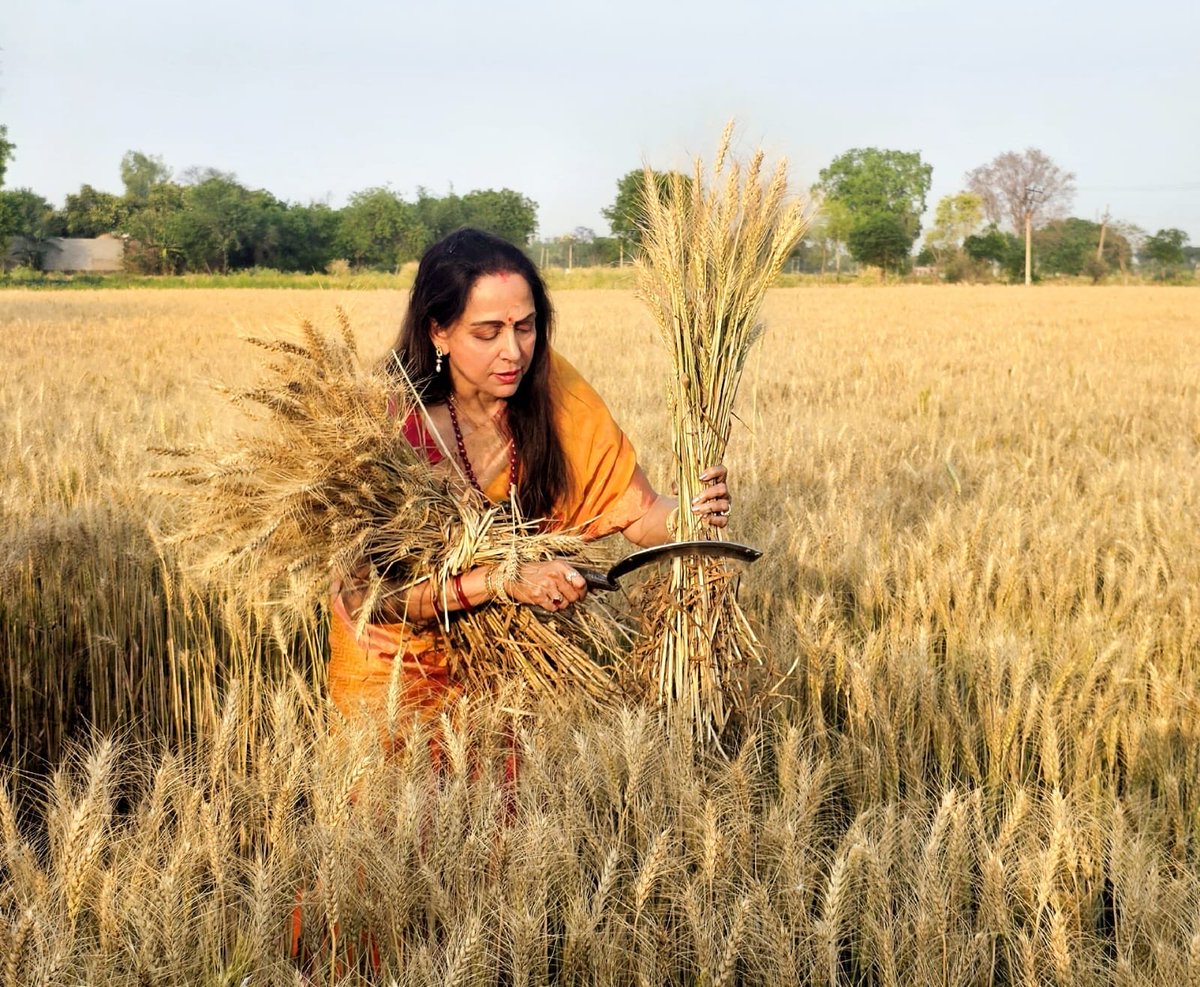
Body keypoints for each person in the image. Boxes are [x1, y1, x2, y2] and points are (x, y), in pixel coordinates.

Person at [327, 228, 732, 728]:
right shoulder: (379, 427)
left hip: (502, 664)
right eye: (487, 332)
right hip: (391, 670)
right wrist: (500, 580)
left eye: (525, 327)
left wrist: (690, 511)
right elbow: (366, 596)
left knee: (503, 801)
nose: (513, 352)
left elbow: (641, 513)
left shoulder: (554, 393)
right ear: (439, 331)